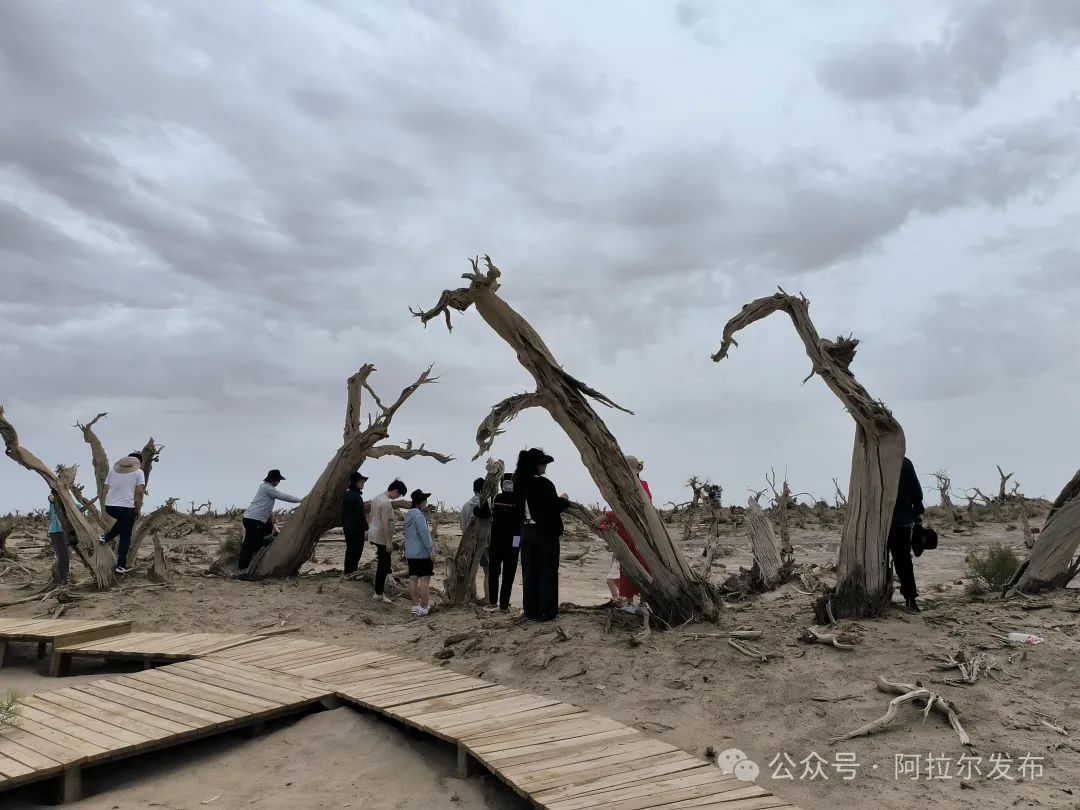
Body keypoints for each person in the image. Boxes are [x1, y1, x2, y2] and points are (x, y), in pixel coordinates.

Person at [517, 448, 571, 622]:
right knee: (547, 571)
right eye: (543, 463)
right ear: (536, 465)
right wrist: (564, 499)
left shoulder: (518, 483)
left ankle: (530, 610)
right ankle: (546, 611)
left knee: (529, 572)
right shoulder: (543, 483)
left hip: (526, 531)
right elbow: (554, 505)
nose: (545, 466)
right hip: (545, 533)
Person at [597, 455, 654, 613]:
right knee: (630, 566)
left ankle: (638, 603)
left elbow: (632, 509)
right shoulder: (635, 486)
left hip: (636, 533)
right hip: (630, 532)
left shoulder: (640, 487)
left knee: (638, 566)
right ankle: (634, 602)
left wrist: (607, 516)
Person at [238, 469, 302, 570]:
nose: (279, 482)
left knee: (248, 544)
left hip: (250, 518)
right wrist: (301, 500)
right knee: (256, 543)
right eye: (278, 480)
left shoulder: (264, 487)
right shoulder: (268, 488)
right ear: (273, 480)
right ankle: (254, 567)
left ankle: (242, 567)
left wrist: (271, 516)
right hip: (255, 520)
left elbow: (265, 504)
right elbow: (282, 496)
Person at [99, 452, 147, 575]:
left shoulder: (113, 471)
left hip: (109, 506)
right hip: (126, 508)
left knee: (123, 523)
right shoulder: (139, 472)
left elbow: (105, 489)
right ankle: (120, 566)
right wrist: (138, 508)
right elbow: (140, 492)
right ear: (139, 462)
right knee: (126, 536)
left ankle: (105, 537)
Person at [889, 456, 926, 612]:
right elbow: (916, 491)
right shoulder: (904, 462)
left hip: (877, 523)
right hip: (901, 521)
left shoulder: (871, 456)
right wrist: (918, 510)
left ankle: (873, 596)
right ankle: (910, 599)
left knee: (876, 559)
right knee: (903, 560)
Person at [484, 473, 522, 613]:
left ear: (501, 484)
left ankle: (493, 604)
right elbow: (521, 523)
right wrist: (516, 545)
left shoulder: (493, 499)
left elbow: (481, 512)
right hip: (513, 544)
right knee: (508, 576)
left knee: (493, 574)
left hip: (496, 543)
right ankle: (504, 606)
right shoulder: (520, 500)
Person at [368, 479, 407, 603]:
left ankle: (385, 587)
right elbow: (386, 523)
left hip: (374, 533)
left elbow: (371, 517)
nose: (397, 497)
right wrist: (388, 541)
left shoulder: (376, 498)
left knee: (385, 562)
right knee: (383, 564)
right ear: (395, 490)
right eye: (399, 494)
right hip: (381, 536)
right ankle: (379, 593)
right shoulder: (386, 503)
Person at [47, 491, 93, 586]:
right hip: (56, 531)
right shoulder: (54, 498)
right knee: (63, 556)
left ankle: (61, 578)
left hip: (66, 531)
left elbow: (80, 508)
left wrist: (89, 502)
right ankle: (62, 581)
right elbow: (51, 498)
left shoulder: (70, 502)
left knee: (66, 555)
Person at [404, 489, 436, 615]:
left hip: (411, 553)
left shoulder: (408, 515)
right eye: (425, 501)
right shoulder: (419, 516)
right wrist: (431, 550)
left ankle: (415, 605)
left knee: (413, 579)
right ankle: (424, 606)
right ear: (419, 503)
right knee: (424, 580)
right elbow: (425, 534)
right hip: (422, 553)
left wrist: (426, 513)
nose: (426, 503)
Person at [461, 477, 490, 601]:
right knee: (488, 572)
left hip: (468, 542)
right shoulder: (486, 504)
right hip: (485, 543)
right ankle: (488, 598)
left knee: (470, 571)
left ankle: (472, 595)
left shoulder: (466, 505)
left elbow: (463, 526)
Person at [341, 471, 370, 577]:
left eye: (363, 481)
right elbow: (360, 515)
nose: (363, 483)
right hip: (356, 529)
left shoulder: (347, 495)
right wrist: (366, 529)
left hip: (348, 528)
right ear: (354, 482)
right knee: (356, 551)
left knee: (350, 551)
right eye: (360, 481)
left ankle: (348, 572)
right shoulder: (356, 497)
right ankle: (351, 572)